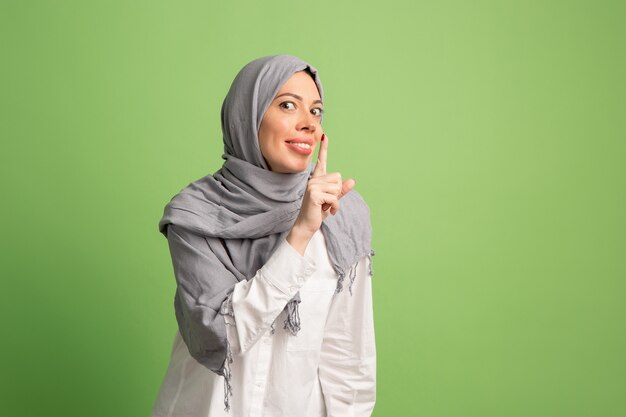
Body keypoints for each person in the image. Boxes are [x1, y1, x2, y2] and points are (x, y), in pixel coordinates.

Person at [151, 55, 376, 417]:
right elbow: (221, 333)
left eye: (316, 112)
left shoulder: (341, 214)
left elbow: (349, 358)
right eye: (288, 105)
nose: (308, 124)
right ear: (248, 115)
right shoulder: (195, 215)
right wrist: (300, 234)